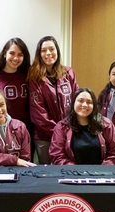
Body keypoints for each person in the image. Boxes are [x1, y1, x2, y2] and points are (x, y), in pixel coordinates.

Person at [27, 36, 79, 164]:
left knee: (67, 169)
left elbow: (76, 101)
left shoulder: (69, 73)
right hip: (44, 137)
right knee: (47, 173)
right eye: (44, 50)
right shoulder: (34, 78)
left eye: (52, 49)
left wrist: (69, 130)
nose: (48, 53)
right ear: (39, 54)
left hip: (70, 133)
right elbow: (38, 114)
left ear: (57, 51)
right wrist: (59, 133)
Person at [49, 87, 115, 165]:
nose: (85, 105)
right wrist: (77, 171)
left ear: (94, 105)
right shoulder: (61, 127)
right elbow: (57, 155)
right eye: (80, 101)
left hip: (101, 174)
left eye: (89, 102)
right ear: (73, 103)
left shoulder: (106, 125)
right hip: (72, 174)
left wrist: (102, 170)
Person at [0, 37, 33, 139]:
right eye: (12, 53)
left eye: (20, 55)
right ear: (5, 54)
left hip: (25, 130)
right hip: (0, 129)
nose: (15, 58)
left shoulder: (28, 75)